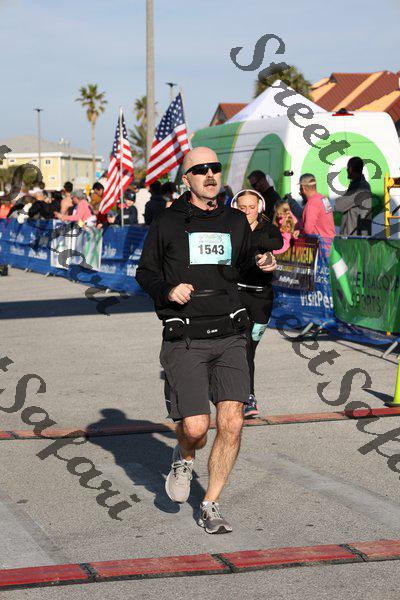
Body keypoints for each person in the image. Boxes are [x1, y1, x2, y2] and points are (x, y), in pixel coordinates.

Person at [136, 146, 272, 534]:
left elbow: (246, 264)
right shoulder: (167, 221)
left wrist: (264, 263)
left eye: (215, 168)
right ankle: (184, 454)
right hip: (186, 337)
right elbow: (145, 273)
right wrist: (168, 290)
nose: (210, 175)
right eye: (200, 170)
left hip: (230, 334)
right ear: (187, 179)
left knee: (232, 422)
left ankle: (211, 503)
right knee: (197, 428)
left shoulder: (235, 220)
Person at [232, 189, 283, 418]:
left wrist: (266, 255)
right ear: (235, 207)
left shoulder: (267, 227)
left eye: (251, 207)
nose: (247, 212)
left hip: (262, 298)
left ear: (259, 207)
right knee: (244, 348)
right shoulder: (231, 228)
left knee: (251, 346)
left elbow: (277, 241)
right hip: (238, 295)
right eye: (242, 207)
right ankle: (248, 397)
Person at [334, 157, 372, 236]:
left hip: (355, 237)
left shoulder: (361, 187)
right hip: (356, 236)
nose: (347, 170)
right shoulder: (360, 185)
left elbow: (338, 205)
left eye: (347, 168)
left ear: (350, 169)